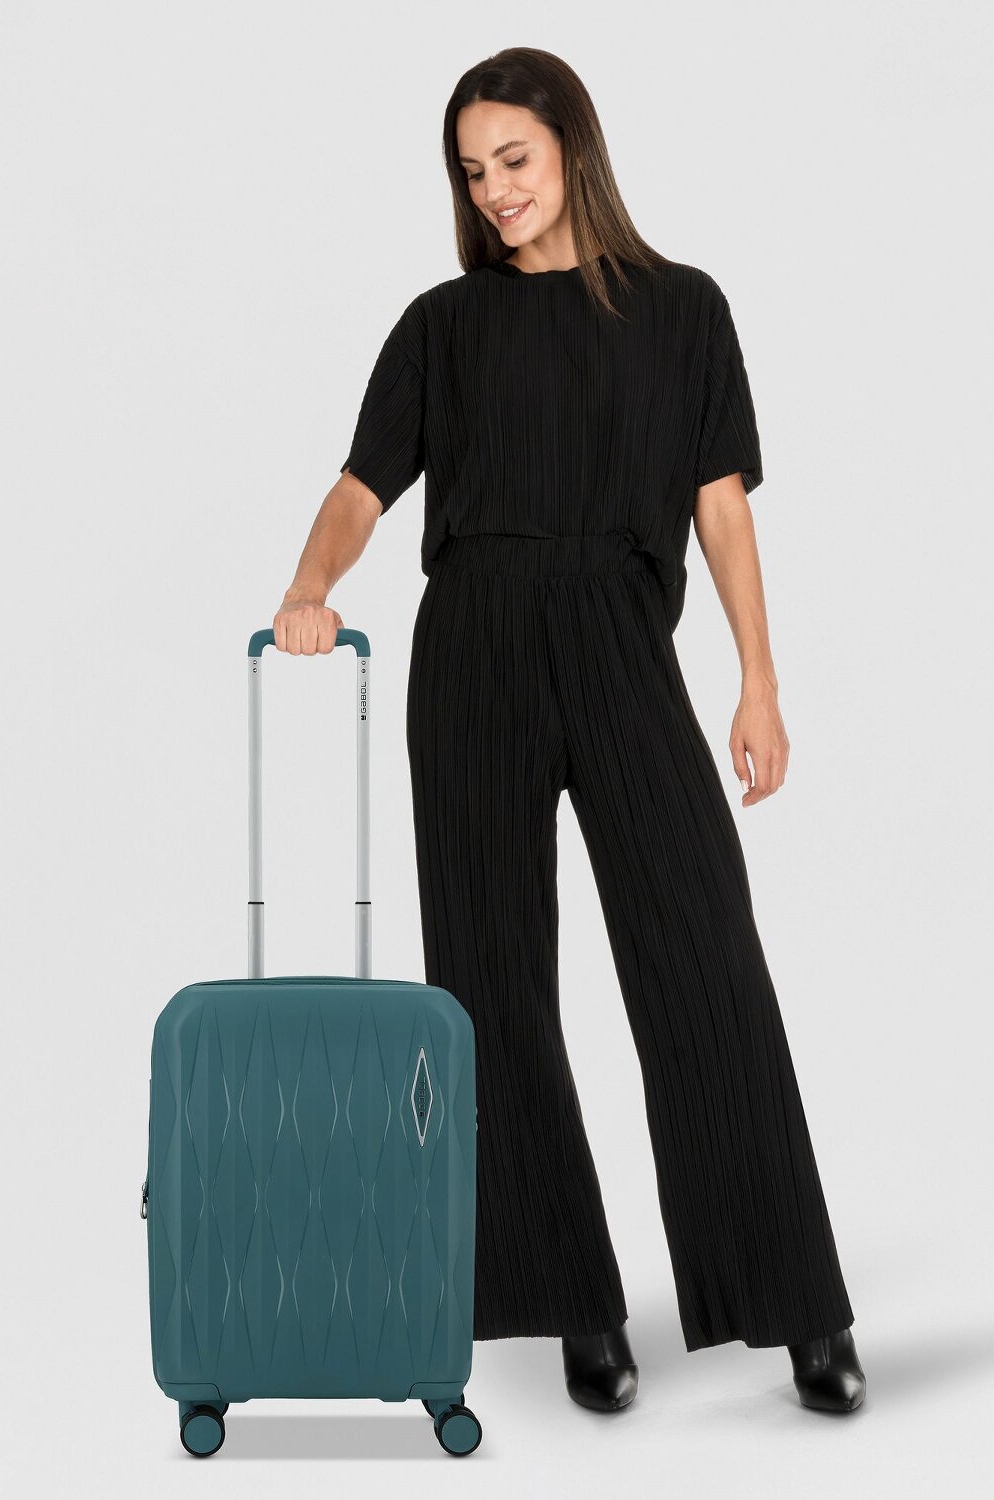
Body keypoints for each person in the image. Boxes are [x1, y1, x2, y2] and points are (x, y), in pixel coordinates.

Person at [273, 47, 866, 1417]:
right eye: (472, 173)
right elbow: (361, 488)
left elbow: (721, 508)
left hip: (619, 639)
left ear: (573, 148)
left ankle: (796, 1305)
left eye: (515, 160)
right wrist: (308, 587)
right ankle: (569, 1304)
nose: (495, 191)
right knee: (490, 978)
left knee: (704, 963)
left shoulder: (683, 309)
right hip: (472, 646)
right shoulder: (442, 326)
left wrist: (758, 682)